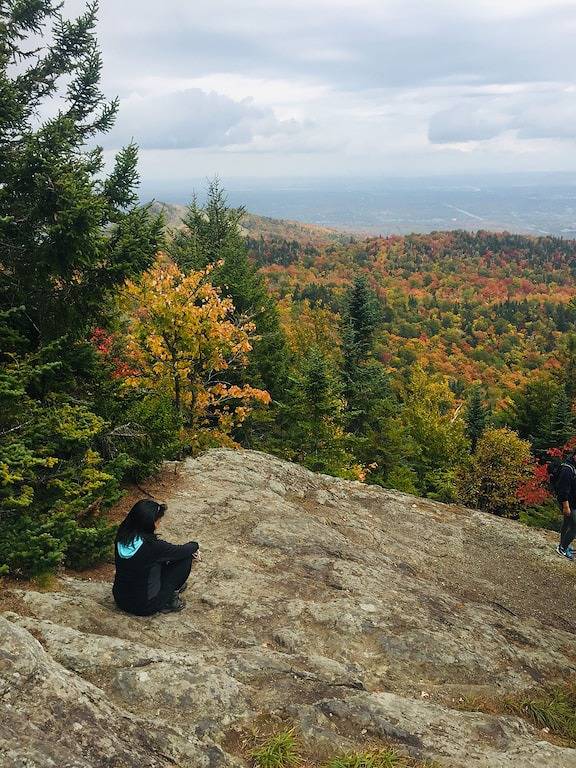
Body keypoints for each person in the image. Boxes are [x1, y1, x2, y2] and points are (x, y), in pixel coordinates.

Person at [113, 499, 200, 615]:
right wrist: (195, 545)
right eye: (158, 521)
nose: (158, 525)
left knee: (153, 563)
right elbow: (182, 551)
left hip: (121, 599)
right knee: (185, 558)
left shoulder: (122, 537)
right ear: (150, 523)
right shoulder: (153, 546)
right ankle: (169, 600)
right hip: (145, 606)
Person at [554, 454, 576, 561]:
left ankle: (563, 545)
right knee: (574, 526)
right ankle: (562, 548)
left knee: (567, 523)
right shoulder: (567, 469)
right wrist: (566, 506)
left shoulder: (573, 466)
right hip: (568, 503)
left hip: (573, 502)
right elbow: (563, 490)